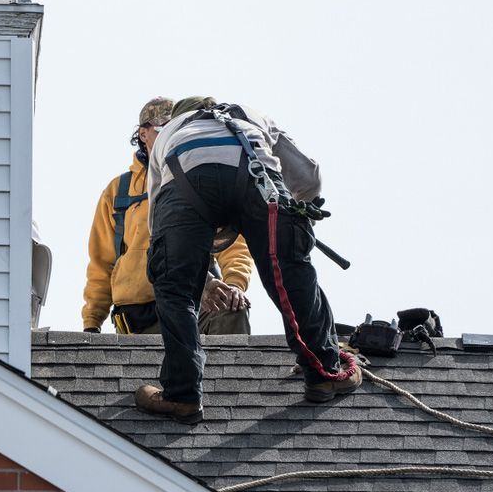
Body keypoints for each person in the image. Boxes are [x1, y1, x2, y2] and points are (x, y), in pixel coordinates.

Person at [134, 96, 361, 424]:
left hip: (185, 180)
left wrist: (200, 277)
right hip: (257, 178)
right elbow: (308, 177)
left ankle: (182, 396)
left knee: (174, 287)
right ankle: (323, 371)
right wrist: (295, 236)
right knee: (290, 271)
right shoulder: (252, 116)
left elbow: (160, 227)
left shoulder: (169, 134)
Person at [82, 96, 255, 336]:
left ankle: (228, 374)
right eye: (164, 128)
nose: (172, 134)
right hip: (140, 317)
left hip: (196, 299)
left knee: (231, 308)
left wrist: (234, 284)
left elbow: (232, 243)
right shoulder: (118, 191)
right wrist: (92, 322)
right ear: (143, 134)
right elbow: (101, 262)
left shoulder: (199, 177)